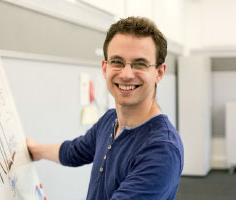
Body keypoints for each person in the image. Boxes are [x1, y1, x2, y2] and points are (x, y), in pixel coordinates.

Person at [27, 16, 184, 200]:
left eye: (140, 64)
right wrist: (35, 151)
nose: (126, 74)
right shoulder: (110, 120)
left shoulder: (161, 149)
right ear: (105, 67)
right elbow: (73, 152)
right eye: (117, 62)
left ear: (159, 72)